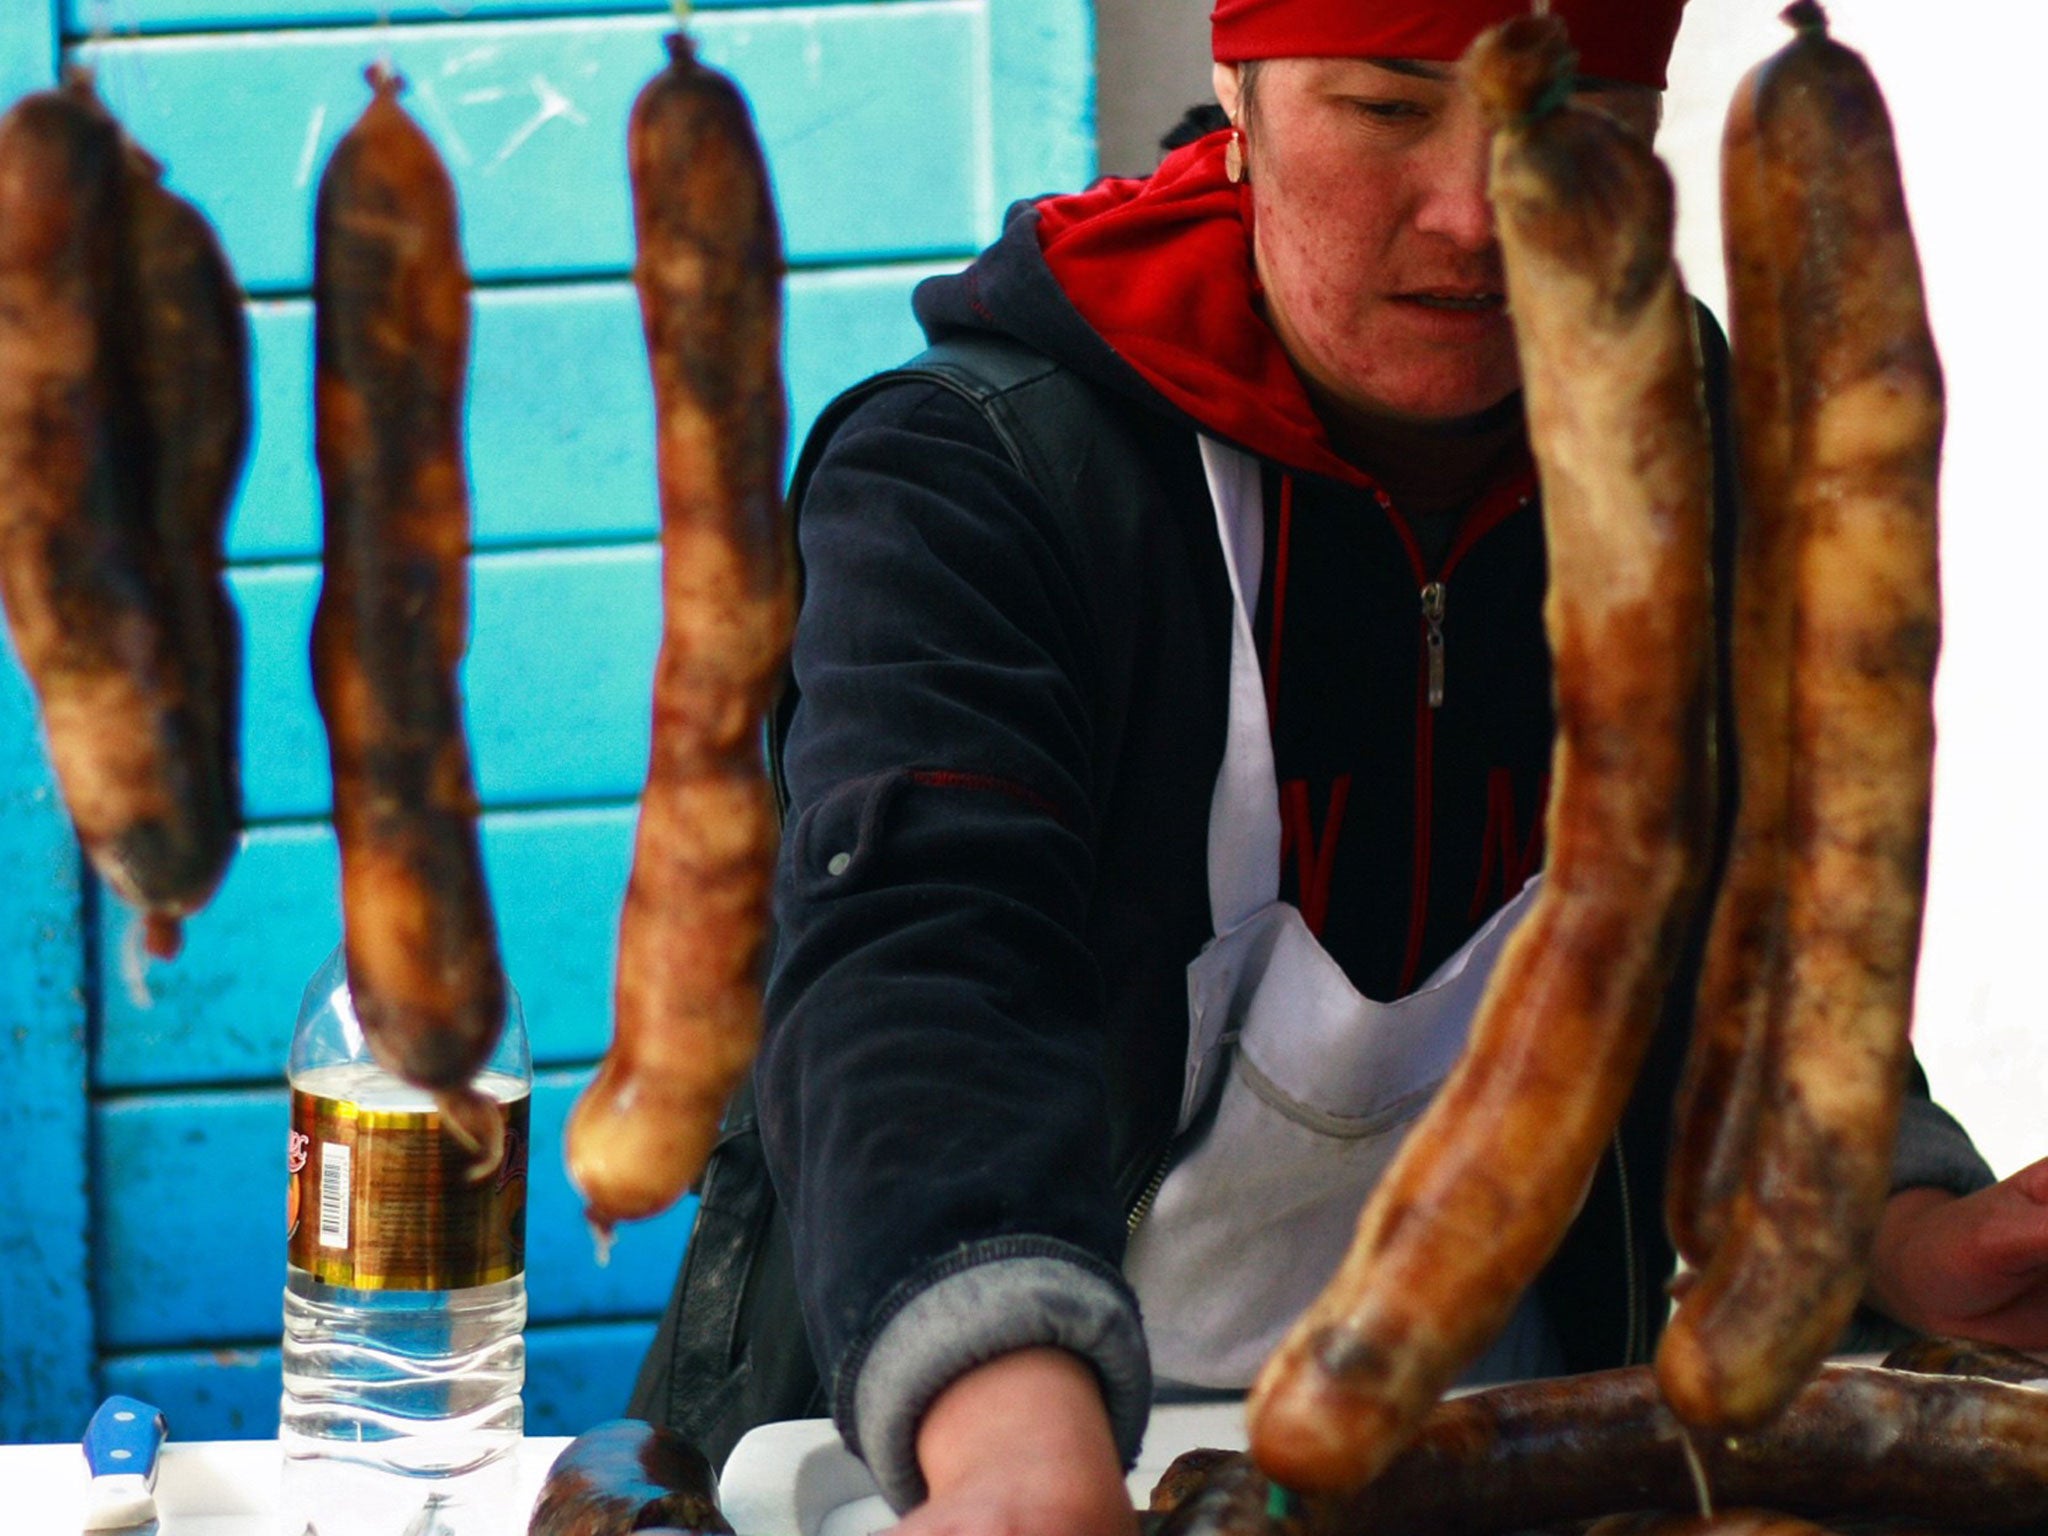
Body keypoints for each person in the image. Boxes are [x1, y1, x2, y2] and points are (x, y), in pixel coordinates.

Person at [631, 3, 2048, 1531]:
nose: (1473, 213)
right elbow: (923, 958)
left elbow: (1745, 927)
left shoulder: (1673, 435)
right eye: (1384, 109)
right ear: (1237, 92)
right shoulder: (980, 465)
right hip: (967, 1433)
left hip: (1491, 1451)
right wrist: (1005, 1439)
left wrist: (1896, 1219)